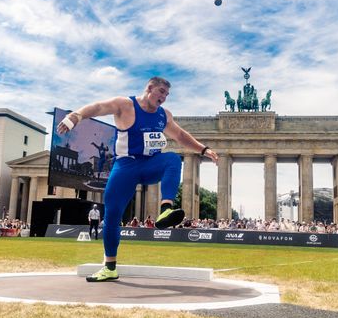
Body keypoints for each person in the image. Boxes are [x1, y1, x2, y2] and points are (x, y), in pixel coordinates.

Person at [57, 76, 218, 282]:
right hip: (125, 166)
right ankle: (110, 267)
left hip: (150, 164)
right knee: (112, 215)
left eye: (167, 95)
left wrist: (204, 149)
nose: (164, 98)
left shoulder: (163, 115)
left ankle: (165, 209)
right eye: (161, 92)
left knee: (172, 159)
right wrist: (75, 116)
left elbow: (180, 135)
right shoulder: (125, 105)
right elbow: (98, 107)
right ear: (149, 88)